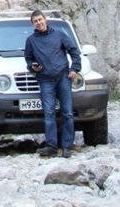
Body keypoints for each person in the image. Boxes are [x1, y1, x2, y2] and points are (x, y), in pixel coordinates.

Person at [24, 10, 81, 158]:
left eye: (40, 19)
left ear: (45, 19)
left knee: (67, 112)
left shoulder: (59, 35)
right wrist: (33, 67)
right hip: (44, 79)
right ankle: (51, 146)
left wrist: (75, 69)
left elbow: (74, 51)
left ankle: (67, 146)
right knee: (49, 114)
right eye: (35, 21)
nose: (39, 22)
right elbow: (28, 59)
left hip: (63, 77)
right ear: (32, 24)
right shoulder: (31, 40)